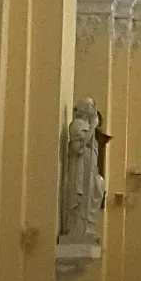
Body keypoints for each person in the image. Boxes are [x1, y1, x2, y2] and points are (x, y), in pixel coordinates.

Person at [60, 96, 105, 240]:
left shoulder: (86, 125)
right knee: (82, 196)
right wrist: (92, 127)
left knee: (95, 188)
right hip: (81, 167)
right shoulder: (77, 125)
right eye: (91, 106)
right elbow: (78, 148)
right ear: (85, 109)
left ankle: (87, 227)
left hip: (90, 166)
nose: (94, 110)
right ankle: (77, 229)